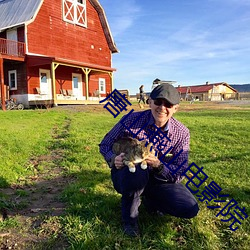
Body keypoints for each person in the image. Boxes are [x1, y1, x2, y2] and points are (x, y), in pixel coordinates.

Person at [99, 84, 199, 237]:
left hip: (159, 179)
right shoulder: (131, 120)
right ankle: (130, 220)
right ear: (150, 102)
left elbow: (180, 171)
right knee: (137, 171)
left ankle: (150, 200)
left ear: (176, 108)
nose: (162, 108)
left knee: (189, 207)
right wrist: (113, 159)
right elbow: (105, 143)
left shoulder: (182, 133)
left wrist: (159, 166)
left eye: (168, 104)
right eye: (158, 102)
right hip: (128, 173)